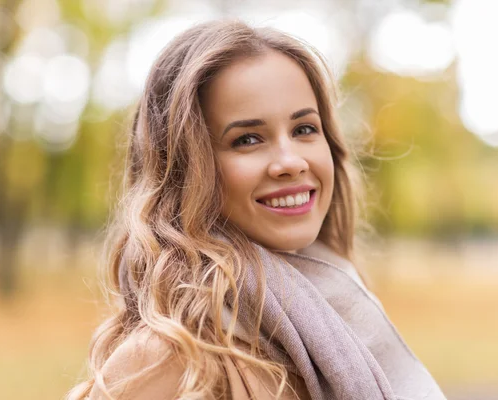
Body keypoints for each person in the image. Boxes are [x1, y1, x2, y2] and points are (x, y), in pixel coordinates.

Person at [67, 19, 447, 400]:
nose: (291, 161)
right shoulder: (165, 360)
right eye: (247, 139)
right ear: (184, 169)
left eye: (304, 129)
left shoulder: (342, 311)